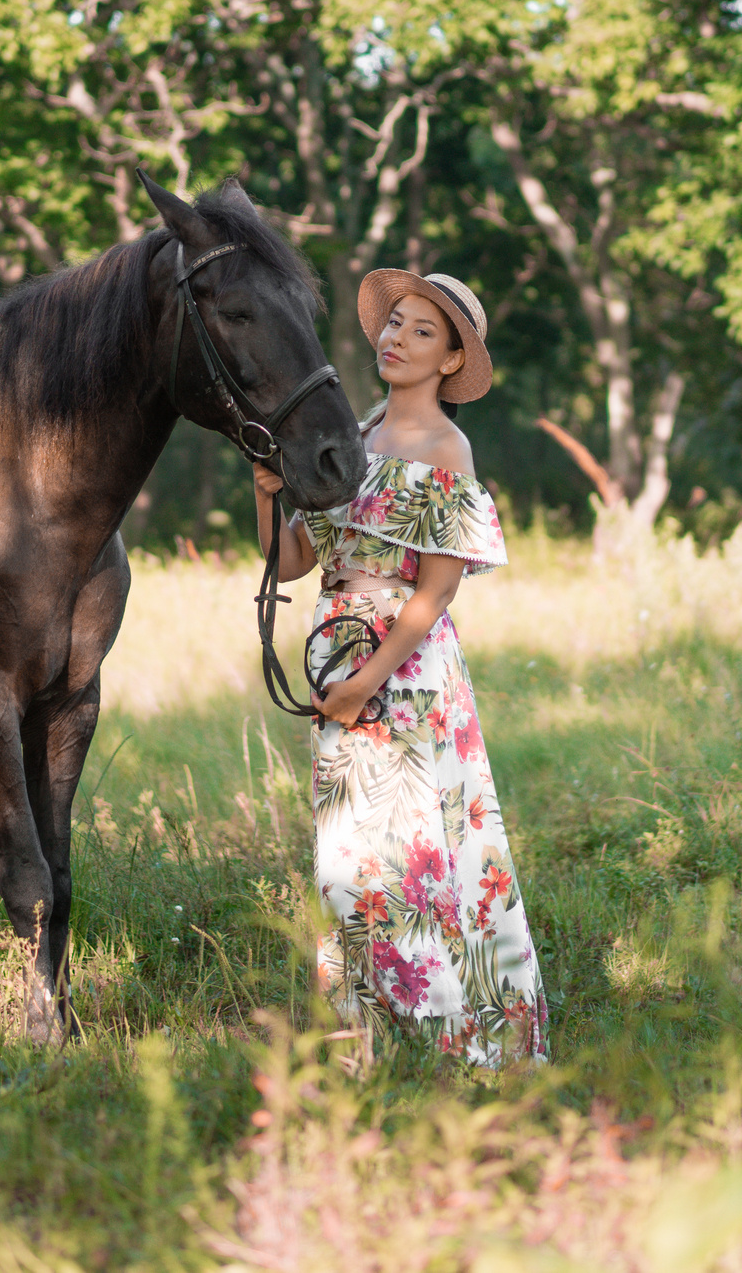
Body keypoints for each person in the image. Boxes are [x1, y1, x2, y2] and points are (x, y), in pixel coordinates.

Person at [250, 269, 549, 1068]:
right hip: (335, 648)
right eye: (396, 323)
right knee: (347, 857)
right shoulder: (353, 431)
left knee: (417, 849)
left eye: (423, 331)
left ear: (452, 360)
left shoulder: (449, 449)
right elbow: (291, 562)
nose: (397, 338)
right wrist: (267, 493)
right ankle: (362, 1038)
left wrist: (364, 682)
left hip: (405, 672)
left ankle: (449, 1030)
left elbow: (435, 592)